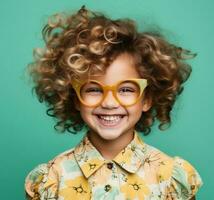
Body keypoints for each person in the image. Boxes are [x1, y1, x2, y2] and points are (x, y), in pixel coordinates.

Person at [24, 5, 203, 200]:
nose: (109, 103)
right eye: (93, 89)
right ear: (75, 98)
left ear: (147, 99)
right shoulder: (52, 179)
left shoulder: (169, 177)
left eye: (126, 89)